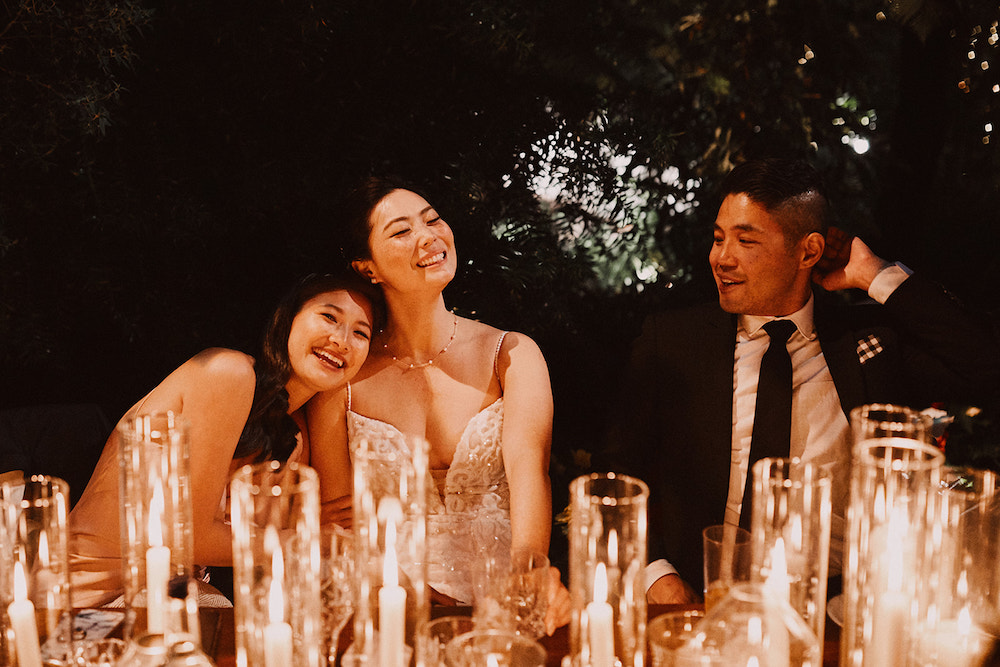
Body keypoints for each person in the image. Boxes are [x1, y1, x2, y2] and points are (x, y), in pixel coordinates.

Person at [604, 157, 1000, 604]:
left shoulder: (868, 343)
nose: (721, 258)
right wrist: (657, 577)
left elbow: (986, 364)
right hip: (704, 598)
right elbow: (617, 471)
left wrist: (874, 274)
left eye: (745, 240)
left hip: (840, 605)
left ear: (808, 252)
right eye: (718, 238)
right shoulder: (674, 341)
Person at [307, 177, 571, 633]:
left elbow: (531, 473)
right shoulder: (343, 378)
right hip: (387, 603)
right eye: (401, 230)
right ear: (368, 268)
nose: (428, 237)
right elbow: (341, 520)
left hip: (502, 599)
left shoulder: (512, 354)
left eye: (432, 220)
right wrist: (401, 589)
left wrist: (529, 572)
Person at [68, 271, 380, 607]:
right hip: (84, 603)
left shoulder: (292, 438)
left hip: (167, 599)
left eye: (360, 333)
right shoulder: (227, 372)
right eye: (329, 317)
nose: (341, 340)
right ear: (287, 319)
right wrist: (307, 538)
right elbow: (192, 537)